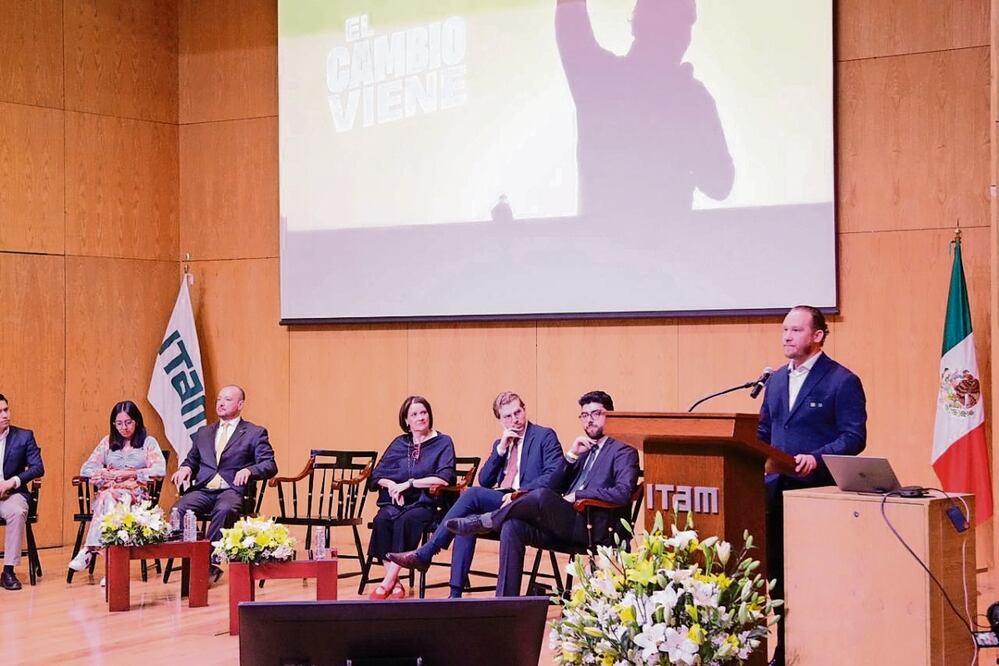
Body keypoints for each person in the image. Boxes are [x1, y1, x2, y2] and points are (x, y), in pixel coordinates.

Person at [447, 390, 639, 597]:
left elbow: (623, 493)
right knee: (512, 525)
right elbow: (556, 485)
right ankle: (504, 603)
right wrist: (571, 456)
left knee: (540, 495)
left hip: (592, 527)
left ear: (611, 415)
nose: (589, 420)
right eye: (584, 415)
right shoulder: (584, 449)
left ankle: (488, 520)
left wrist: (579, 495)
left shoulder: (623, 450)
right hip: (564, 523)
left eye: (596, 413)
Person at [556, 0, 733, 222]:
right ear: (643, 21)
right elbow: (719, 184)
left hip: (614, 241)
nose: (681, 32)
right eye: (671, 18)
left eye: (686, 21)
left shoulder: (599, 79)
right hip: (660, 241)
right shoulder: (601, 79)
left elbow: (720, 184)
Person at [758, 305, 867, 666]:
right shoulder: (776, 380)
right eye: (784, 330)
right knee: (778, 576)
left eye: (795, 330)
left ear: (818, 336)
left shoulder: (841, 380)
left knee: (813, 578)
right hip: (775, 494)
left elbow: (853, 437)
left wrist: (817, 458)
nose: (786, 336)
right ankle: (783, 650)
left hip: (816, 496)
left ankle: (819, 649)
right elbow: (763, 432)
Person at [386, 391, 562, 597]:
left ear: (524, 410)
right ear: (500, 420)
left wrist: (519, 493)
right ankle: (454, 595)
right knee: (466, 521)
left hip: (529, 502)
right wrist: (501, 449)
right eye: (508, 416)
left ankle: (427, 552)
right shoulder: (501, 444)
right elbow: (485, 480)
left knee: (472, 494)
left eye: (518, 412)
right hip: (502, 503)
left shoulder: (544, 436)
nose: (515, 419)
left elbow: (555, 476)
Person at [170, 385, 277, 580]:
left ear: (240, 404)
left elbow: (269, 465)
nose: (220, 403)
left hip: (231, 491)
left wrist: (250, 470)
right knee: (179, 510)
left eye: (227, 399)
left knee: (225, 510)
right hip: (204, 489)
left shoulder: (254, 432)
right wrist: (186, 468)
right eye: (219, 399)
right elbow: (192, 459)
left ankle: (208, 564)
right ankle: (200, 553)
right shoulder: (204, 432)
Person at [367, 396, 456, 600]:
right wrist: (392, 486)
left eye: (423, 412)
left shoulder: (443, 442)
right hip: (396, 501)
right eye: (414, 414)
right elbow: (377, 475)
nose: (420, 417)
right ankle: (395, 582)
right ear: (406, 420)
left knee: (407, 520)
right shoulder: (400, 443)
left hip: (426, 502)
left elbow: (444, 477)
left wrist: (409, 484)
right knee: (382, 520)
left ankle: (387, 582)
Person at [69, 401, 167, 573]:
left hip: (136, 497)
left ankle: (89, 550)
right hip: (110, 494)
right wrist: (104, 472)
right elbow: (86, 469)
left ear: (137, 421)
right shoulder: (108, 442)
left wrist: (130, 474)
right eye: (119, 423)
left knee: (110, 498)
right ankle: (112, 570)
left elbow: (159, 470)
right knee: (109, 498)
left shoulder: (148, 442)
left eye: (128, 422)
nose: (124, 428)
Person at [0, 393, 44, 591]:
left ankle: (8, 571)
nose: (5, 415)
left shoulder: (24, 436)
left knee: (17, 513)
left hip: (13, 494)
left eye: (6, 410)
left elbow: (38, 468)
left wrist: (12, 482)